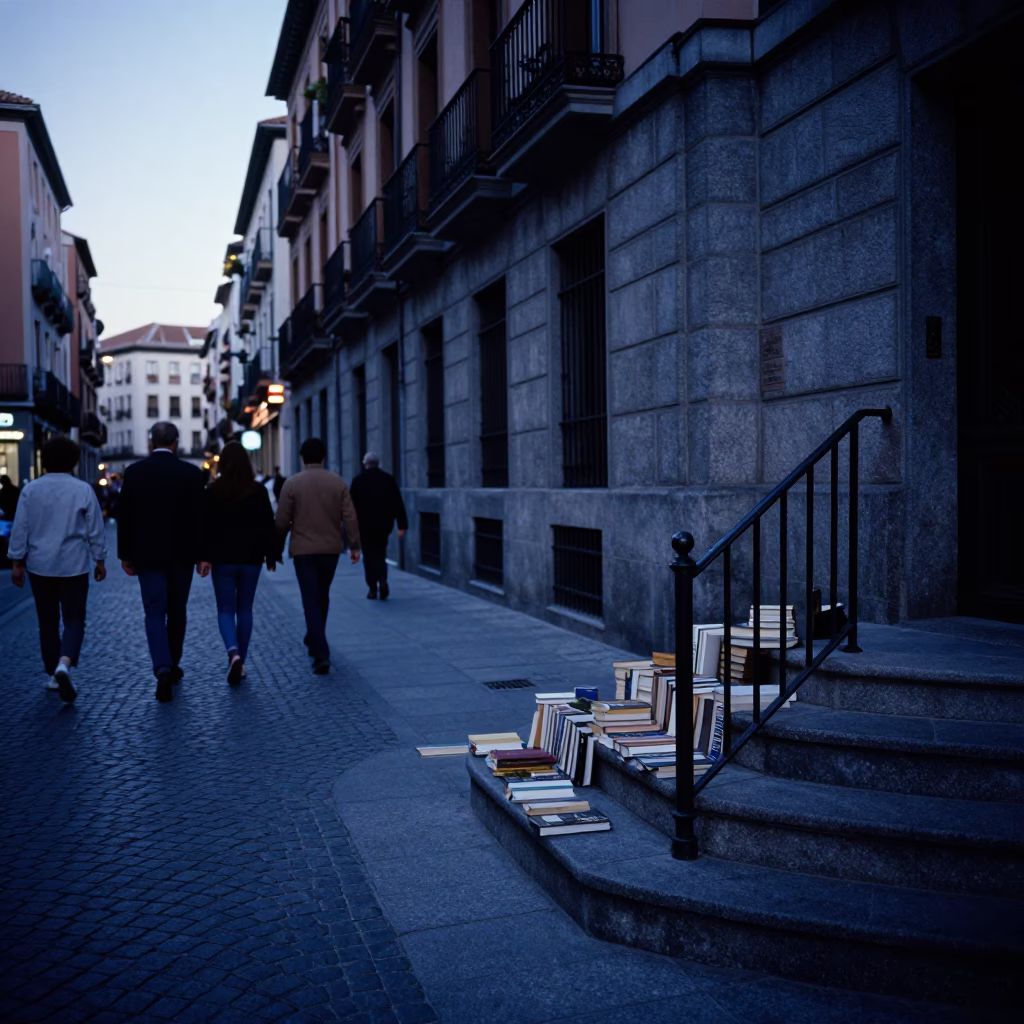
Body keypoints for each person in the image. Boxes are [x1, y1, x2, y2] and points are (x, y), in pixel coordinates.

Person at [7, 436, 106, 703]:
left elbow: (21, 528)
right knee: (74, 619)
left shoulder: (31, 490)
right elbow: (95, 528)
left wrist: (17, 562)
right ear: (74, 461)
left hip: (41, 566)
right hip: (73, 565)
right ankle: (65, 663)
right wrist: (99, 559)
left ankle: (53, 673)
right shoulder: (82, 489)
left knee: (47, 622)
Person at [116, 422, 209, 703]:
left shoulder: (134, 473)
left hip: (147, 555)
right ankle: (174, 661)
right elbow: (200, 518)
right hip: (182, 554)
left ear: (150, 442)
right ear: (175, 443)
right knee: (177, 609)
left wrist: (125, 554)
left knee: (154, 610)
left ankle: (162, 666)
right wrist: (204, 554)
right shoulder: (192, 474)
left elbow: (125, 516)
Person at [275, 438, 360, 675]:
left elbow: (282, 521)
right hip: (330, 549)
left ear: (302, 457)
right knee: (322, 596)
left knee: (310, 598)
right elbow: (350, 516)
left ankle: (320, 651)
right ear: (323, 457)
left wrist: (275, 549)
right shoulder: (337, 483)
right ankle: (316, 638)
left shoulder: (292, 484)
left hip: (303, 551)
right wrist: (354, 545)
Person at [206, 442, 278, 684]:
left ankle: (233, 653)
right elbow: (269, 525)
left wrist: (204, 556)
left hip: (223, 559)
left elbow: (205, 527)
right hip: (251, 558)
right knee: (245, 609)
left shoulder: (214, 491)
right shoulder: (257, 491)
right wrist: (271, 556)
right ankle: (242, 662)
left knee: (225, 609)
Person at [349, 452, 407, 600]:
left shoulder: (358, 481)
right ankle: (383, 581)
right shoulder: (388, 479)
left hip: (364, 526)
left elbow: (350, 507)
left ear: (365, 464)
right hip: (383, 526)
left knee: (368, 557)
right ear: (378, 463)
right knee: (381, 554)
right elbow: (397, 503)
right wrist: (402, 525)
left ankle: (372, 588)